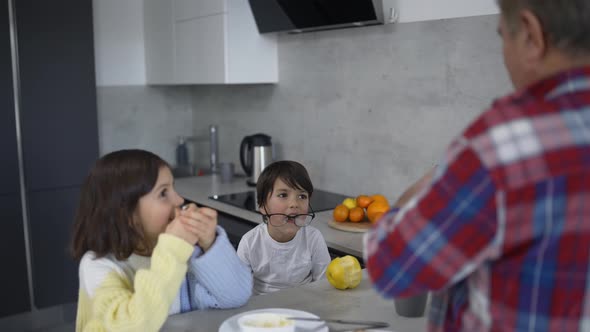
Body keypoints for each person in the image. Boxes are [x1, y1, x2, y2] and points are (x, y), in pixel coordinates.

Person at [365, 0, 590, 331]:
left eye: (503, 37)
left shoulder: (502, 146)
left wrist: (432, 182)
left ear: (531, 35)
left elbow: (390, 267)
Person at [71, 149, 252, 331]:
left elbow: (236, 296)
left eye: (174, 188)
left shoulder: (186, 254)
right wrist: (173, 249)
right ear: (127, 214)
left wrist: (210, 245)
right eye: (163, 193)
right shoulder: (99, 267)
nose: (179, 200)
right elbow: (129, 325)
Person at [237, 160, 331, 295]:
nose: (294, 204)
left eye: (302, 196)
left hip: (304, 307)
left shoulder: (313, 238)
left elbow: (324, 284)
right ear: (263, 206)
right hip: (263, 311)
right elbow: (237, 290)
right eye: (283, 195)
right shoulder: (249, 242)